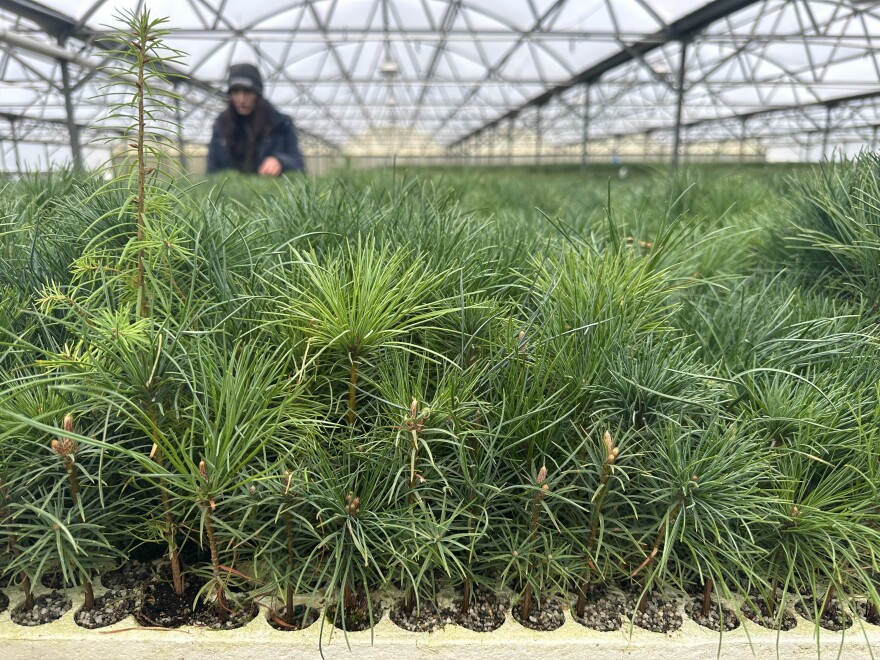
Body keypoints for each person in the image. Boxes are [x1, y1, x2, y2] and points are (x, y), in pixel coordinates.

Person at [207, 63, 305, 175]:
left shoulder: (281, 123)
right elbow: (211, 170)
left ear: (258, 94)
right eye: (236, 92)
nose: (241, 99)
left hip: (272, 188)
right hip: (230, 190)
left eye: (247, 92)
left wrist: (280, 161)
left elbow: (299, 165)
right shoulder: (221, 124)